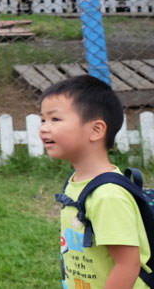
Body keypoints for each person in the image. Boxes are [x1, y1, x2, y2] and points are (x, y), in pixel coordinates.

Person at [41, 75, 150, 288]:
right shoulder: (76, 183)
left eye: (55, 119)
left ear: (96, 130)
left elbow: (127, 265)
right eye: (42, 120)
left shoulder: (107, 195)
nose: (44, 128)